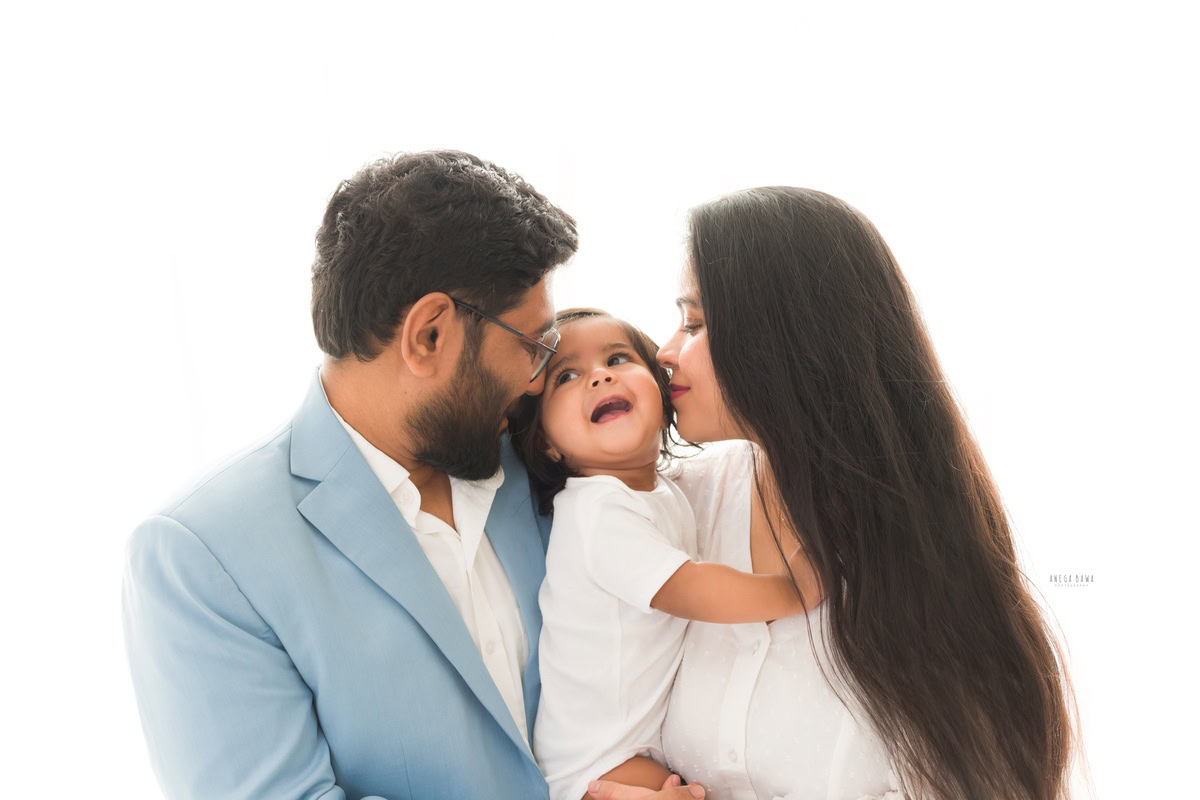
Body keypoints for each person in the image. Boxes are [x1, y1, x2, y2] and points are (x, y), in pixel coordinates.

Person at [122, 149, 654, 800]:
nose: (539, 378)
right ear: (428, 335)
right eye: (532, 346)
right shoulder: (201, 558)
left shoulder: (547, 459)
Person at [591, 187, 1083, 800]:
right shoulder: (665, 510)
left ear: (784, 340)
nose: (664, 351)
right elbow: (585, 713)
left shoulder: (932, 571)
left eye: (694, 323)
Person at [509, 309, 806, 800]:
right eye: (568, 375)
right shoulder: (594, 510)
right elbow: (687, 587)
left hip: (631, 753)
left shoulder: (667, 491)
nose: (600, 375)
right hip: (596, 768)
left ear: (663, 395)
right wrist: (792, 591)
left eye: (618, 358)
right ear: (546, 445)